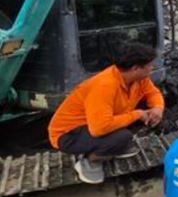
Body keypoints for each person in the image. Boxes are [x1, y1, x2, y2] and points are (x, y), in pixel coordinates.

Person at [47, 42, 164, 184]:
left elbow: (152, 93)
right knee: (122, 137)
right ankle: (90, 160)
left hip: (98, 122)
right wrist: (137, 114)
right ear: (135, 68)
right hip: (68, 134)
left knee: (148, 112)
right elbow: (99, 128)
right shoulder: (104, 86)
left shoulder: (139, 79)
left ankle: (110, 147)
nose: (152, 68)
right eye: (149, 66)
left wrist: (157, 108)